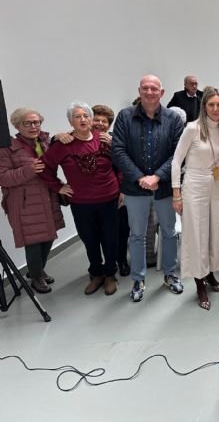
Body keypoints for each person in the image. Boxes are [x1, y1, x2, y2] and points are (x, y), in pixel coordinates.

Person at [112, 74, 185, 303]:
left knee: (169, 233)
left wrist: (157, 177)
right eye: (145, 88)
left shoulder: (173, 118)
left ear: (162, 93)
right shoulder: (125, 117)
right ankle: (138, 278)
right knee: (137, 235)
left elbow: (178, 153)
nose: (150, 92)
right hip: (135, 189)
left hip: (163, 188)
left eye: (154, 88)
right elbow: (119, 151)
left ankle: (170, 274)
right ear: (139, 91)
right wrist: (140, 178)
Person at [40, 102, 120, 296]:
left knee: (110, 239)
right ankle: (96, 274)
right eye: (77, 116)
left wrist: (122, 188)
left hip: (109, 199)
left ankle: (110, 274)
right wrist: (59, 186)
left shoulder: (105, 140)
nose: (83, 120)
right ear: (70, 121)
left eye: (86, 116)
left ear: (91, 119)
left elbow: (122, 163)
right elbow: (44, 167)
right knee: (90, 240)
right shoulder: (63, 145)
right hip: (82, 203)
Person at [172, 87, 219, 309]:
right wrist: (176, 193)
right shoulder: (192, 129)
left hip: (216, 183)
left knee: (214, 232)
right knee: (197, 234)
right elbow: (177, 162)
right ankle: (199, 284)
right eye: (211, 105)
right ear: (204, 106)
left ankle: (211, 274)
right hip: (194, 184)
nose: (215, 109)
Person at [0, 109, 65, 294]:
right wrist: (29, 170)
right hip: (25, 203)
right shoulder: (7, 148)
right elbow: (3, 177)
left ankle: (37, 270)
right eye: (27, 123)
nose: (33, 126)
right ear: (17, 125)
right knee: (34, 241)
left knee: (49, 236)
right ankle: (36, 277)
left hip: (47, 197)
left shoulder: (44, 141)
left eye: (36, 122)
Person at [91, 104, 130, 277]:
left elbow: (125, 164)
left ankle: (121, 260)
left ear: (109, 124)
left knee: (122, 230)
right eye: (96, 119)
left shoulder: (116, 139)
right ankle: (102, 266)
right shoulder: (80, 139)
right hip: (93, 196)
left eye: (103, 121)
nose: (99, 123)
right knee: (97, 233)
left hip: (117, 193)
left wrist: (114, 145)